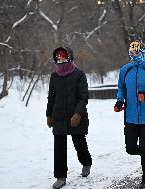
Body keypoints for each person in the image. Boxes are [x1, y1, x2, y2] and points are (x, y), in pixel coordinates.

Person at [114, 39, 145, 187]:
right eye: (131, 52)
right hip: (130, 116)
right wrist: (119, 101)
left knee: (144, 146)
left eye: (137, 52)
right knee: (130, 148)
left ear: (143, 52)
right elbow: (121, 88)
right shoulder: (125, 70)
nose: (134, 55)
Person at [46, 47, 92, 189]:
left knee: (79, 142)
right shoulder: (54, 77)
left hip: (75, 116)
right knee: (59, 146)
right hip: (59, 116)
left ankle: (86, 162)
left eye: (63, 58)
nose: (61, 61)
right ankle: (60, 177)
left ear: (70, 58)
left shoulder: (79, 74)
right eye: (58, 59)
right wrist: (49, 114)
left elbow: (83, 97)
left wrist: (78, 114)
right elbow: (51, 97)